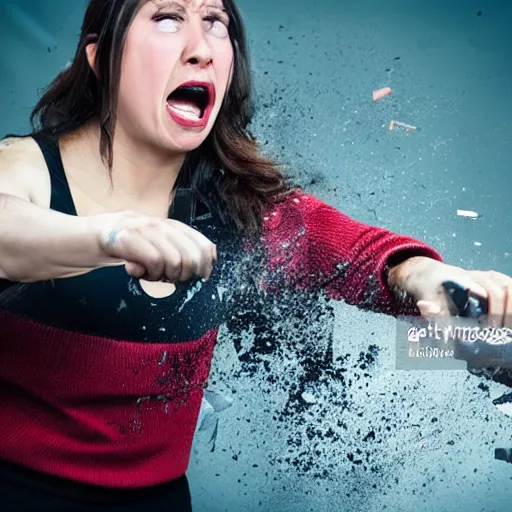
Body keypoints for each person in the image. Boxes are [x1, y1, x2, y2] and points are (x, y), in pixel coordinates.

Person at [0, 0, 511, 510]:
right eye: (167, 17)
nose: (199, 49)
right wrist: (108, 237)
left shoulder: (239, 212)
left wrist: (429, 276)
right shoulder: (26, 167)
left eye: (215, 22)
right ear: (100, 56)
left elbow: (354, 254)